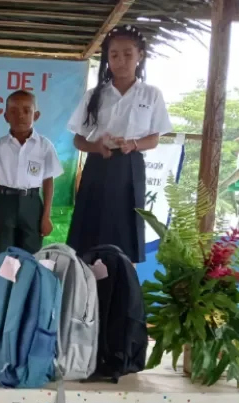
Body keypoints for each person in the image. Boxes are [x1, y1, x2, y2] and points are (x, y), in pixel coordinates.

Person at [66, 25, 172, 264]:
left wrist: (133, 144)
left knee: (125, 229)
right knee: (90, 229)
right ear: (107, 58)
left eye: (127, 54)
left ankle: (122, 284)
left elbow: (154, 138)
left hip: (130, 166)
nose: (120, 60)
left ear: (140, 56)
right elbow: (78, 139)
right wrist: (97, 147)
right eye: (114, 55)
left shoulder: (150, 95)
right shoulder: (95, 95)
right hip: (98, 164)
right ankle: (88, 285)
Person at [0, 90, 63, 260]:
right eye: (13, 111)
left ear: (36, 115)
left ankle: (26, 286)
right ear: (6, 116)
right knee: (3, 256)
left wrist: (46, 216)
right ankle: (3, 287)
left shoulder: (44, 146)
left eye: (27, 111)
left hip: (32, 204)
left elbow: (48, 182)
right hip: (4, 203)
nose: (20, 116)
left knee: (31, 255)